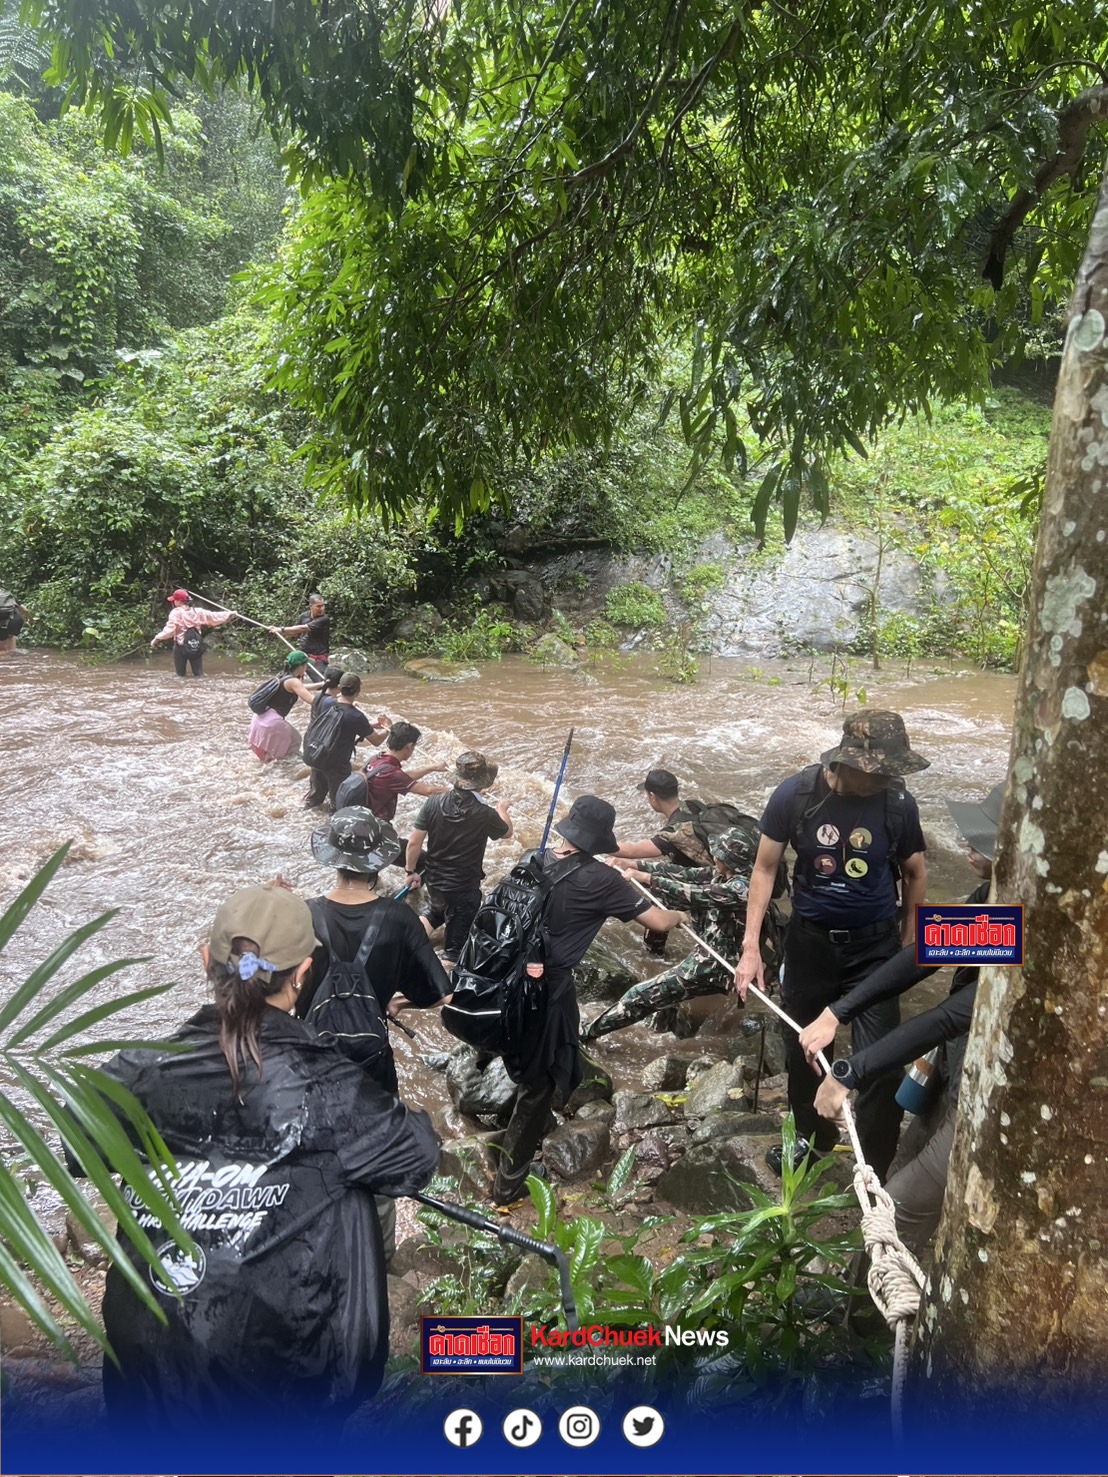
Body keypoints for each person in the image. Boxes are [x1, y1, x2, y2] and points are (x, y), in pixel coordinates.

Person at [96, 884, 439, 1440]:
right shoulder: (329, 1084)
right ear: (303, 973)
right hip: (283, 1369)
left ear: (206, 960)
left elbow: (76, 1148)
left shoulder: (139, 1069)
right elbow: (416, 1155)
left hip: (149, 1364)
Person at [803, 781, 1001, 1257]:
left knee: (900, 1209)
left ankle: (873, 1325)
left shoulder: (1035, 925)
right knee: (901, 1168)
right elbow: (926, 953)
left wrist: (851, 1071)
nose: (967, 846)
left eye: (983, 842)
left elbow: (950, 1015)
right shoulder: (993, 897)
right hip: (956, 1073)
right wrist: (838, 1010)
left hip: (989, 1097)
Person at [734, 709, 929, 1181]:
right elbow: (763, 869)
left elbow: (915, 873)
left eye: (891, 771)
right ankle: (814, 1138)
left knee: (881, 1058)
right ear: (849, 763)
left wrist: (908, 945)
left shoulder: (898, 804)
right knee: (800, 1046)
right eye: (878, 771)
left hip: (874, 947)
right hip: (809, 943)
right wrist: (751, 947)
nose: (887, 779)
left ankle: (878, 1165)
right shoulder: (797, 794)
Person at [489, 795, 687, 1207]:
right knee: (541, 1082)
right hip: (549, 991)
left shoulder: (533, 857)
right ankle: (508, 1186)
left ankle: (520, 1137)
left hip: (508, 979)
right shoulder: (602, 880)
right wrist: (683, 915)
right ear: (599, 839)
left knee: (538, 1066)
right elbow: (657, 921)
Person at [303, 808, 452, 1261]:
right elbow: (437, 992)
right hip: (371, 1057)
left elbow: (259, 979)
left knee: (317, 1150)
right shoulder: (398, 918)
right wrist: (387, 997)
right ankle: (380, 1263)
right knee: (374, 1150)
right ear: (379, 861)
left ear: (333, 859)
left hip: (310, 1057)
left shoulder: (303, 915)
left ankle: (319, 1247)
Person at [582, 822, 783, 1041]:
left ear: (727, 860)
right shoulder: (722, 873)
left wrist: (646, 879)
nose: (713, 856)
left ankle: (586, 1033)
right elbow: (684, 874)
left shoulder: (741, 889)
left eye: (717, 853)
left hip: (716, 965)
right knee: (663, 999)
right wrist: (634, 864)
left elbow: (694, 894)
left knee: (639, 995)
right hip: (709, 955)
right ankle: (675, 1036)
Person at [403, 751, 513, 964]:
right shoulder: (485, 813)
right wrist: (502, 809)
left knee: (435, 913)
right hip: (463, 889)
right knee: (453, 953)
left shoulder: (433, 802)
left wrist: (410, 872)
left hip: (434, 880)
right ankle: (437, 988)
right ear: (482, 783)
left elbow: (414, 843)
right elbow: (507, 832)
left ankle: (403, 950)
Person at [303, 672, 390, 810]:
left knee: (314, 799)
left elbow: (341, 721)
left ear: (339, 687)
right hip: (336, 764)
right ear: (358, 691)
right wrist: (388, 728)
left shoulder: (326, 701)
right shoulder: (356, 716)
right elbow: (377, 740)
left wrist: (370, 724)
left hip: (317, 754)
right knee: (338, 803)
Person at [335, 720, 448, 821]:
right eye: (413, 747)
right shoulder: (391, 773)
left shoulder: (377, 758)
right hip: (374, 825)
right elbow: (429, 791)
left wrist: (431, 768)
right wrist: (460, 791)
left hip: (359, 817)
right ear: (408, 746)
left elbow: (403, 777)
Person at [612, 767, 713, 867]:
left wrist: (599, 843)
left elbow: (632, 851)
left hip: (710, 878)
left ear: (652, 797)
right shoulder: (695, 804)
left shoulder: (672, 834)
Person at [247, 650, 317, 762]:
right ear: (300, 667)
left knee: (268, 756)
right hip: (272, 722)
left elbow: (300, 688)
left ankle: (267, 771)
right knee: (295, 741)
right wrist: (332, 699)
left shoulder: (283, 676)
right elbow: (312, 700)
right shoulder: (294, 681)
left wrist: (321, 685)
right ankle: (287, 771)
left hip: (259, 718)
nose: (307, 668)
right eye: (306, 665)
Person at [150, 589, 238, 677]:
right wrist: (229, 614)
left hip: (180, 647)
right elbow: (214, 616)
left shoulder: (176, 613)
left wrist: (157, 638)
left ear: (179, 601)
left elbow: (170, 630)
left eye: (174, 600)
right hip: (195, 645)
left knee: (180, 675)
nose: (173, 602)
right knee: (199, 674)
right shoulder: (198, 612)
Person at [270, 592, 331, 667]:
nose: (322, 609)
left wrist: (281, 629)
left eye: (323, 606)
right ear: (311, 606)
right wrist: (278, 632)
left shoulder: (324, 619)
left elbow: (303, 628)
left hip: (319, 657)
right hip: (304, 655)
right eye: (318, 606)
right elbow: (295, 632)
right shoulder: (303, 616)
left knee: (320, 678)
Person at [0, 587, 32, 652]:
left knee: (2, 650)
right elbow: (25, 610)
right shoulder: (6, 593)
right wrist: (31, 619)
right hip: (16, 620)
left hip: (3, 623)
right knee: (11, 637)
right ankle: (13, 658)